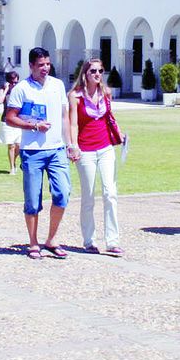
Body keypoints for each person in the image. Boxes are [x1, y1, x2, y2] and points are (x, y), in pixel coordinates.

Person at [5, 47, 71, 259]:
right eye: (40, 65)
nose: (45, 68)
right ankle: (33, 242)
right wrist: (33, 127)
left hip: (56, 149)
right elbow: (10, 117)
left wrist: (70, 143)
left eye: (47, 64)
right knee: (33, 200)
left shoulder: (58, 85)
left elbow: (64, 117)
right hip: (32, 151)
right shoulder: (22, 89)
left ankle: (51, 239)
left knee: (62, 193)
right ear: (31, 66)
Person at [68, 58, 121, 256]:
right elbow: (73, 123)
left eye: (100, 71)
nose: (97, 74)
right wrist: (73, 146)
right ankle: (89, 240)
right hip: (86, 150)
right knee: (88, 196)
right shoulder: (75, 96)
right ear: (85, 73)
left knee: (110, 192)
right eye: (93, 71)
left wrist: (120, 133)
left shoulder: (106, 93)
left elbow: (110, 117)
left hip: (106, 147)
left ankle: (113, 241)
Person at [0, 69, 22, 172]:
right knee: (11, 145)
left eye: (16, 82)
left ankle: (14, 161)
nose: (14, 84)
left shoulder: (20, 90)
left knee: (19, 146)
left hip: (19, 119)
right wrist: (6, 89)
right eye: (12, 82)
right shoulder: (4, 89)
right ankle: (12, 167)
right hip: (7, 120)